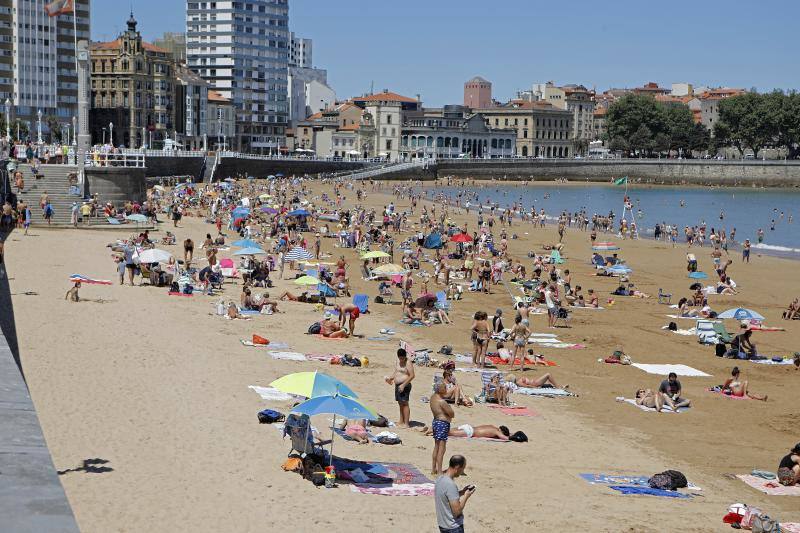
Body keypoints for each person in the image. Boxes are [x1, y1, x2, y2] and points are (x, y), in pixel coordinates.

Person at [435, 455, 474, 533]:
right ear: (457, 467)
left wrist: (462, 492)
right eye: (462, 468)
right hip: (453, 528)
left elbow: (446, 497)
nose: (462, 472)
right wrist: (466, 496)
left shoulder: (440, 479)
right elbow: (457, 512)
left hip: (443, 525)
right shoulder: (450, 485)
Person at [430, 382, 454, 476]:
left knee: (436, 446)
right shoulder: (441, 401)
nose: (446, 389)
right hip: (442, 423)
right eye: (444, 387)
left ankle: (433, 469)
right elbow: (452, 414)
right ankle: (439, 471)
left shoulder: (433, 398)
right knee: (441, 448)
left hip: (436, 422)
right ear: (440, 389)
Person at [385, 348, 414, 427]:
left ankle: (406, 423)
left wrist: (403, 385)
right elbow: (396, 372)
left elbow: (412, 375)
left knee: (405, 403)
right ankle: (401, 421)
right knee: (400, 403)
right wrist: (390, 378)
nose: (401, 360)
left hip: (405, 385)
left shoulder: (408, 363)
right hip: (398, 385)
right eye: (400, 358)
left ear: (405, 356)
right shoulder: (397, 361)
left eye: (403, 358)